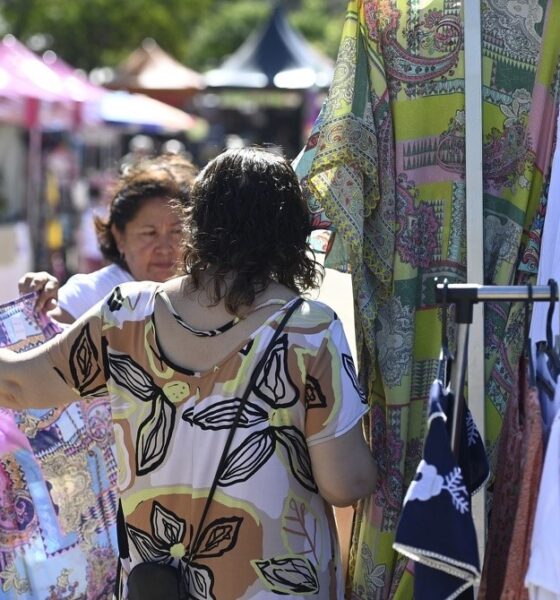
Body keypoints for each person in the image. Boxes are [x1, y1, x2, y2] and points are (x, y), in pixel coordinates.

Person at [0, 148, 377, 599]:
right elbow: (345, 484)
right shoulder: (309, 330)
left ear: (197, 226)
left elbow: (16, 383)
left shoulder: (125, 315)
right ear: (293, 234)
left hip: (157, 587)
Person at [19, 153, 199, 321]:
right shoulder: (93, 294)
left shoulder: (206, 294)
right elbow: (49, 323)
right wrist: (37, 309)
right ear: (119, 236)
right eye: (149, 233)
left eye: (177, 231)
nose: (165, 248)